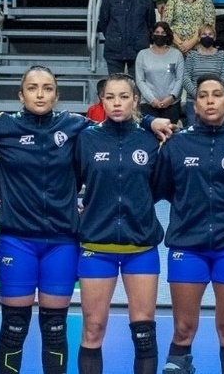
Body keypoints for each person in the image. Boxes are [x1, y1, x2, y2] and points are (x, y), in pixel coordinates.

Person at [0, 65, 172, 374]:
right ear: (20, 95)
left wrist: (148, 119)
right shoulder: (0, 126)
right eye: (33, 88)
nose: (40, 93)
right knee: (13, 327)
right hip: (16, 241)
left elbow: (115, 118)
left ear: (56, 95)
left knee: (55, 328)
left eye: (47, 88)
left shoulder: (76, 127)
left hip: (61, 242)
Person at [157, 74, 224, 374]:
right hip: (186, 246)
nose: (209, 100)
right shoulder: (176, 145)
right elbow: (157, 190)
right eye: (203, 95)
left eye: (216, 95)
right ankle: (180, 366)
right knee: (183, 327)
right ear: (195, 104)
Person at [75, 73, 164, 374]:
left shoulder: (151, 138)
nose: (116, 103)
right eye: (110, 97)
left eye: (124, 96)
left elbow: (163, 186)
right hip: (95, 247)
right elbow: (69, 183)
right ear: (101, 101)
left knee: (144, 332)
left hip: (140, 247)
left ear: (135, 100)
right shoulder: (86, 138)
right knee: (93, 328)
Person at [97, 0, 156, 76]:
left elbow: (150, 22)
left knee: (136, 89)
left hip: (138, 50)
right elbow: (103, 21)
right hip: (114, 50)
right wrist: (113, 36)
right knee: (115, 87)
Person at [135, 21, 185, 124]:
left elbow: (180, 79)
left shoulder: (177, 55)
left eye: (163, 33)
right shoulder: (142, 55)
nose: (160, 35)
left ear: (167, 35)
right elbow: (140, 80)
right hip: (149, 104)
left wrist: (171, 97)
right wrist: (152, 100)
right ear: (152, 35)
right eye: (157, 32)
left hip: (172, 104)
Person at [181, 24, 224, 122]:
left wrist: (211, 94)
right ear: (199, 38)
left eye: (210, 34)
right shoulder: (192, 56)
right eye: (204, 34)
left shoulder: (222, 55)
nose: (207, 37)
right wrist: (199, 94)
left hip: (216, 102)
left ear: (215, 37)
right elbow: (186, 78)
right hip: (194, 101)